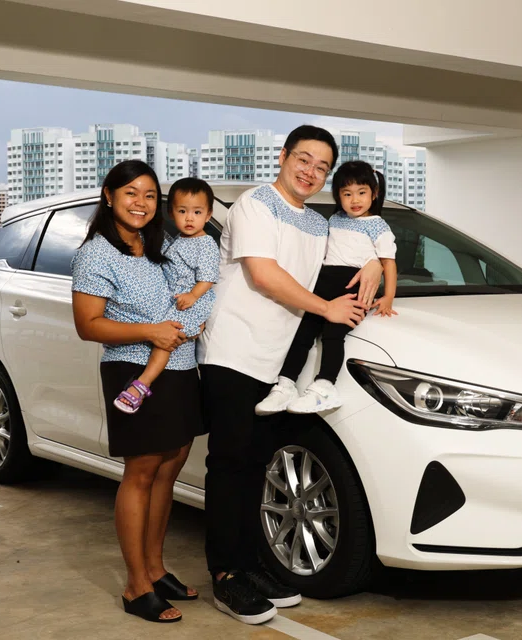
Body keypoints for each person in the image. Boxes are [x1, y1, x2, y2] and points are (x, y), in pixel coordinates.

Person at [197, 125, 384, 625]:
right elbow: (264, 275)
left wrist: (373, 269)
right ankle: (226, 576)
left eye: (322, 167)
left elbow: (355, 251)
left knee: (259, 466)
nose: (311, 172)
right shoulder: (254, 205)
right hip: (234, 352)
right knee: (231, 464)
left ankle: (253, 565)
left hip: (279, 365)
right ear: (283, 156)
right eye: (304, 159)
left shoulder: (319, 223)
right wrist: (326, 306)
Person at [71, 160, 203, 624]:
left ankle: (155, 569)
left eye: (150, 195)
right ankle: (135, 586)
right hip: (132, 368)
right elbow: (88, 326)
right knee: (142, 471)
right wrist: (150, 331)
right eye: (131, 193)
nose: (141, 203)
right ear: (108, 196)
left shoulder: (158, 245)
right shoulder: (96, 254)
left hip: (181, 364)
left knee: (171, 466)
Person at [256, 160, 398, 415]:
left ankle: (325, 386)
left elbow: (389, 263)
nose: (354, 200)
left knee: (333, 336)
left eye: (362, 193)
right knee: (303, 334)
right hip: (323, 284)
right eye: (347, 194)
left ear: (374, 194)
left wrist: (387, 297)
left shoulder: (379, 226)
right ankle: (286, 384)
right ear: (338, 197)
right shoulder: (334, 219)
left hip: (353, 287)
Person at [113, 177, 219, 414]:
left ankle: (142, 384)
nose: (189, 218)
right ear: (172, 214)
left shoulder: (206, 244)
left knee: (165, 340)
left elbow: (208, 278)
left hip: (193, 303)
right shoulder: (178, 241)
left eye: (197, 212)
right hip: (179, 301)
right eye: (182, 211)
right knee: (163, 337)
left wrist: (192, 296)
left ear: (208, 215)